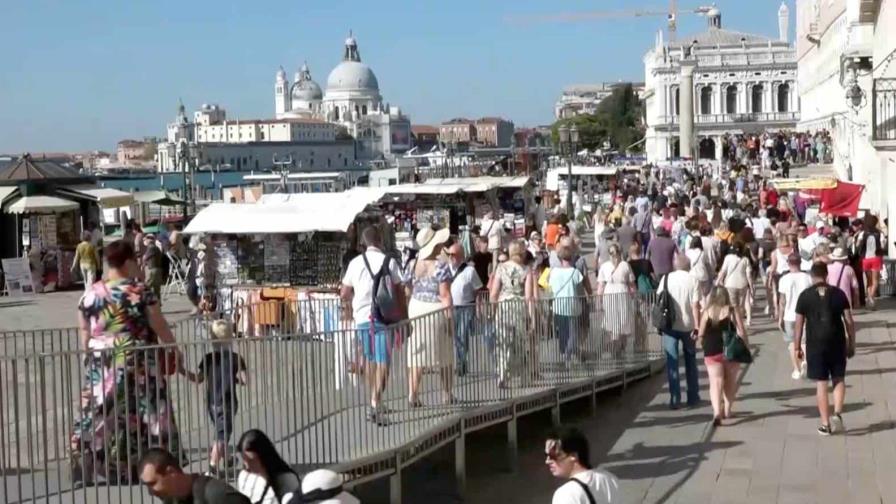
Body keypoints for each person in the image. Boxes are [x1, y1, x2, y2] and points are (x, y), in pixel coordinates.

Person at [71, 240, 184, 486]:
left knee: (96, 412)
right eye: (136, 260)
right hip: (138, 357)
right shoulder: (139, 290)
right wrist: (173, 348)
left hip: (101, 360)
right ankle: (160, 464)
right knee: (152, 409)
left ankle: (83, 464)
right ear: (127, 262)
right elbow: (158, 323)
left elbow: (84, 330)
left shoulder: (90, 294)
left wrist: (87, 352)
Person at [340, 226, 408, 425]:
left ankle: (374, 400)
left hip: (362, 317)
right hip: (384, 317)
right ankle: (375, 402)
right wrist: (404, 317)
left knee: (370, 359)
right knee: (384, 361)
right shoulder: (390, 261)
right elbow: (400, 290)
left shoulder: (355, 263)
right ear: (380, 240)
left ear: (363, 243)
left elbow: (344, 293)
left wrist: (355, 298)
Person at [794, 263, 857, 436]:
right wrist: (852, 342)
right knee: (838, 378)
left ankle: (825, 423)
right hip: (836, 341)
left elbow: (799, 324)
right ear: (826, 275)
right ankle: (837, 413)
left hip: (815, 344)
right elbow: (849, 321)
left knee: (821, 383)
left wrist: (797, 346)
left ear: (812, 276)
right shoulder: (839, 294)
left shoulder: (804, 296)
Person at [186, 320, 248, 476]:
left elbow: (198, 378)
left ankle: (227, 459)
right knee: (222, 435)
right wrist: (235, 378)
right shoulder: (235, 358)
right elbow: (245, 380)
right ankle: (213, 466)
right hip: (227, 402)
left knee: (221, 431)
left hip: (212, 403)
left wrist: (182, 370)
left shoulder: (208, 358)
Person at [407, 226, 455, 406]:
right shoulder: (440, 265)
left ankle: (413, 393)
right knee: (445, 352)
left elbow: (407, 288)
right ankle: (447, 393)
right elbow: (445, 294)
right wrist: (450, 319)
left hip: (416, 306)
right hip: (434, 308)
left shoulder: (413, 264)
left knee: (417, 352)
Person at [657, 255, 703, 409]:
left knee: (672, 362)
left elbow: (658, 300)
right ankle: (693, 396)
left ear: (675, 265)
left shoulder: (666, 279)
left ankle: (675, 398)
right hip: (688, 325)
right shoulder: (693, 280)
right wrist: (698, 327)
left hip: (670, 325)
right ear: (688, 266)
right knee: (690, 360)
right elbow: (695, 305)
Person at [698, 287, 748, 425]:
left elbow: (701, 334)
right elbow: (742, 331)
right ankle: (727, 409)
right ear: (726, 296)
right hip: (730, 350)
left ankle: (716, 412)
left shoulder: (707, 312)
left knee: (715, 382)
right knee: (730, 382)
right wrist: (746, 347)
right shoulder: (732, 310)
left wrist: (701, 344)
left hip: (712, 350)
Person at [489, 240, 534, 388]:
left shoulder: (501, 268)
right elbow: (529, 296)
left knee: (502, 342)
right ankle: (524, 377)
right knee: (521, 342)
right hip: (519, 306)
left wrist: (492, 311)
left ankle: (502, 375)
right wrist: (531, 317)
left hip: (504, 306)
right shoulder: (527, 270)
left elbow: (494, 293)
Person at [139, 448, 250, 504]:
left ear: (171, 472)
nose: (150, 492)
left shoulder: (215, 494)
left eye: (152, 483)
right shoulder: (172, 501)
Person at [545, 427, 620, 504]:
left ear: (573, 456)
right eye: (546, 455)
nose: (547, 461)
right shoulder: (610, 479)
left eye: (553, 456)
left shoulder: (565, 494)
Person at [549, 242, 593, 364]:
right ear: (572, 257)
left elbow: (550, 288)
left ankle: (565, 355)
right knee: (574, 334)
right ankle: (567, 356)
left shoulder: (554, 272)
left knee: (563, 334)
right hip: (572, 307)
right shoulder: (575, 273)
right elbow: (580, 288)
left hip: (558, 307)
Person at [236, 429, 301, 504]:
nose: (247, 466)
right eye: (244, 460)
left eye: (252, 461)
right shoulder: (244, 476)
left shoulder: (287, 479)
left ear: (264, 456)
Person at [447, 242, 483, 376]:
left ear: (461, 255)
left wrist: (478, 308)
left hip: (467, 307)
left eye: (453, 254)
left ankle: (461, 364)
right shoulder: (446, 269)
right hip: (452, 307)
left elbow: (478, 290)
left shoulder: (470, 270)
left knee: (462, 335)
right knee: (455, 337)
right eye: (449, 254)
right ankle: (458, 361)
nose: (451, 257)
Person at [596, 243, 636, 357]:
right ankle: (618, 348)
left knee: (617, 321)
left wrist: (599, 300)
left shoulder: (611, 266)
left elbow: (601, 286)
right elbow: (632, 284)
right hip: (618, 293)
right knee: (618, 321)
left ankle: (617, 347)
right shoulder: (622, 265)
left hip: (615, 294)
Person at [716, 241, 753, 326]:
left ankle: (733, 323)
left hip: (730, 284)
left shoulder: (728, 257)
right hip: (742, 285)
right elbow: (749, 275)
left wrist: (717, 281)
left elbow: (723, 271)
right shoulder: (745, 259)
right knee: (741, 306)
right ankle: (739, 323)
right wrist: (751, 286)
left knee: (732, 305)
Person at [857, 214, 886, 309]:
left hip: (865, 259)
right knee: (875, 281)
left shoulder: (863, 233)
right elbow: (882, 246)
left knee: (869, 281)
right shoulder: (879, 233)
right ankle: (870, 298)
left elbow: (858, 244)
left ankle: (871, 304)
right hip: (876, 258)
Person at [142, 234, 164, 304]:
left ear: (149, 240)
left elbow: (146, 258)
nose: (144, 241)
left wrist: (143, 262)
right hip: (158, 269)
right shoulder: (156, 247)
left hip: (153, 270)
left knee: (146, 286)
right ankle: (158, 303)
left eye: (145, 240)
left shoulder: (151, 247)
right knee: (156, 289)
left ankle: (145, 303)